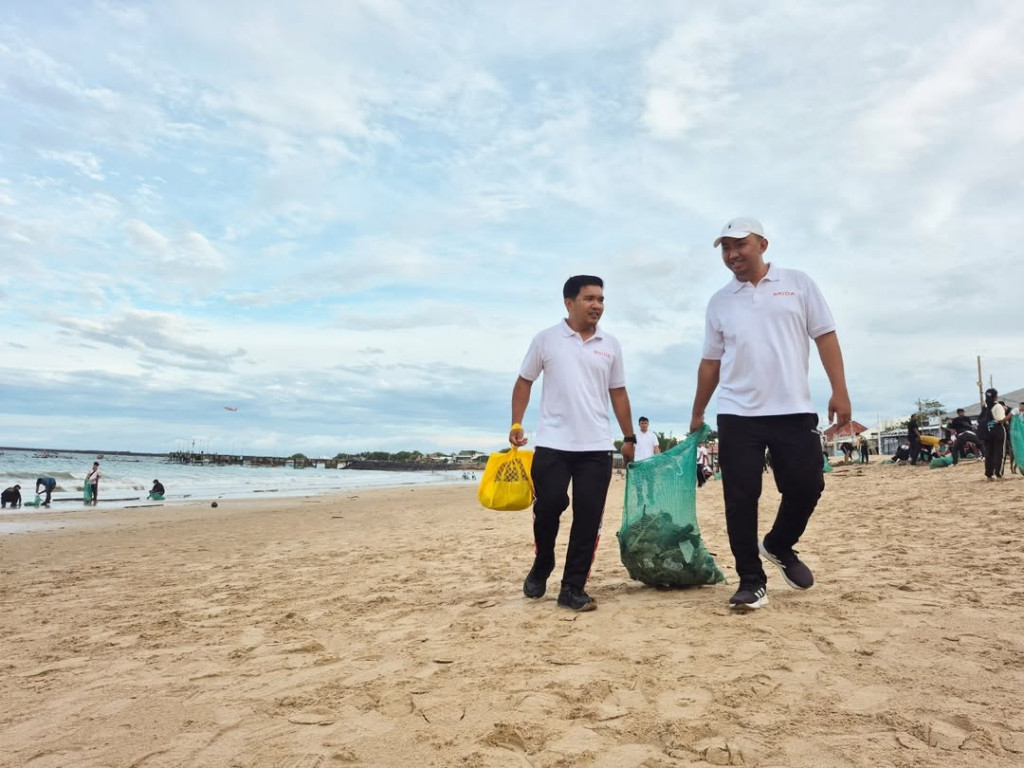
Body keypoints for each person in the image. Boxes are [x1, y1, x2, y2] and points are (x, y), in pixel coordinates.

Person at [689, 216, 851, 610]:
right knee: (740, 498)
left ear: (762, 244)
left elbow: (825, 336)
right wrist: (698, 411)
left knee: (807, 486)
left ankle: (779, 543)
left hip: (793, 408)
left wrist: (840, 389)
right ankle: (751, 580)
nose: (732, 254)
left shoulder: (798, 284)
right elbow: (710, 363)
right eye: (726, 248)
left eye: (739, 245)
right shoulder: (720, 301)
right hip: (737, 413)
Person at [511, 275, 636, 612]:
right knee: (549, 506)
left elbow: (618, 392)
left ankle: (573, 587)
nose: (597, 305)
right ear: (569, 302)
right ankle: (543, 562)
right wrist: (516, 423)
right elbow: (524, 382)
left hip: (596, 446)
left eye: (601, 299)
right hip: (553, 443)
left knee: (588, 518)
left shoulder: (610, 344)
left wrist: (628, 437)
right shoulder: (546, 340)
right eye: (589, 299)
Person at [977, 388, 1007, 480]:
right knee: (999, 452)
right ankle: (998, 474)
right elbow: (1001, 420)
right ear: (995, 397)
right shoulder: (998, 406)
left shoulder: (985, 407)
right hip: (997, 431)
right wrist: (1009, 415)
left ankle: (989, 475)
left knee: (989, 453)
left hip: (987, 432)